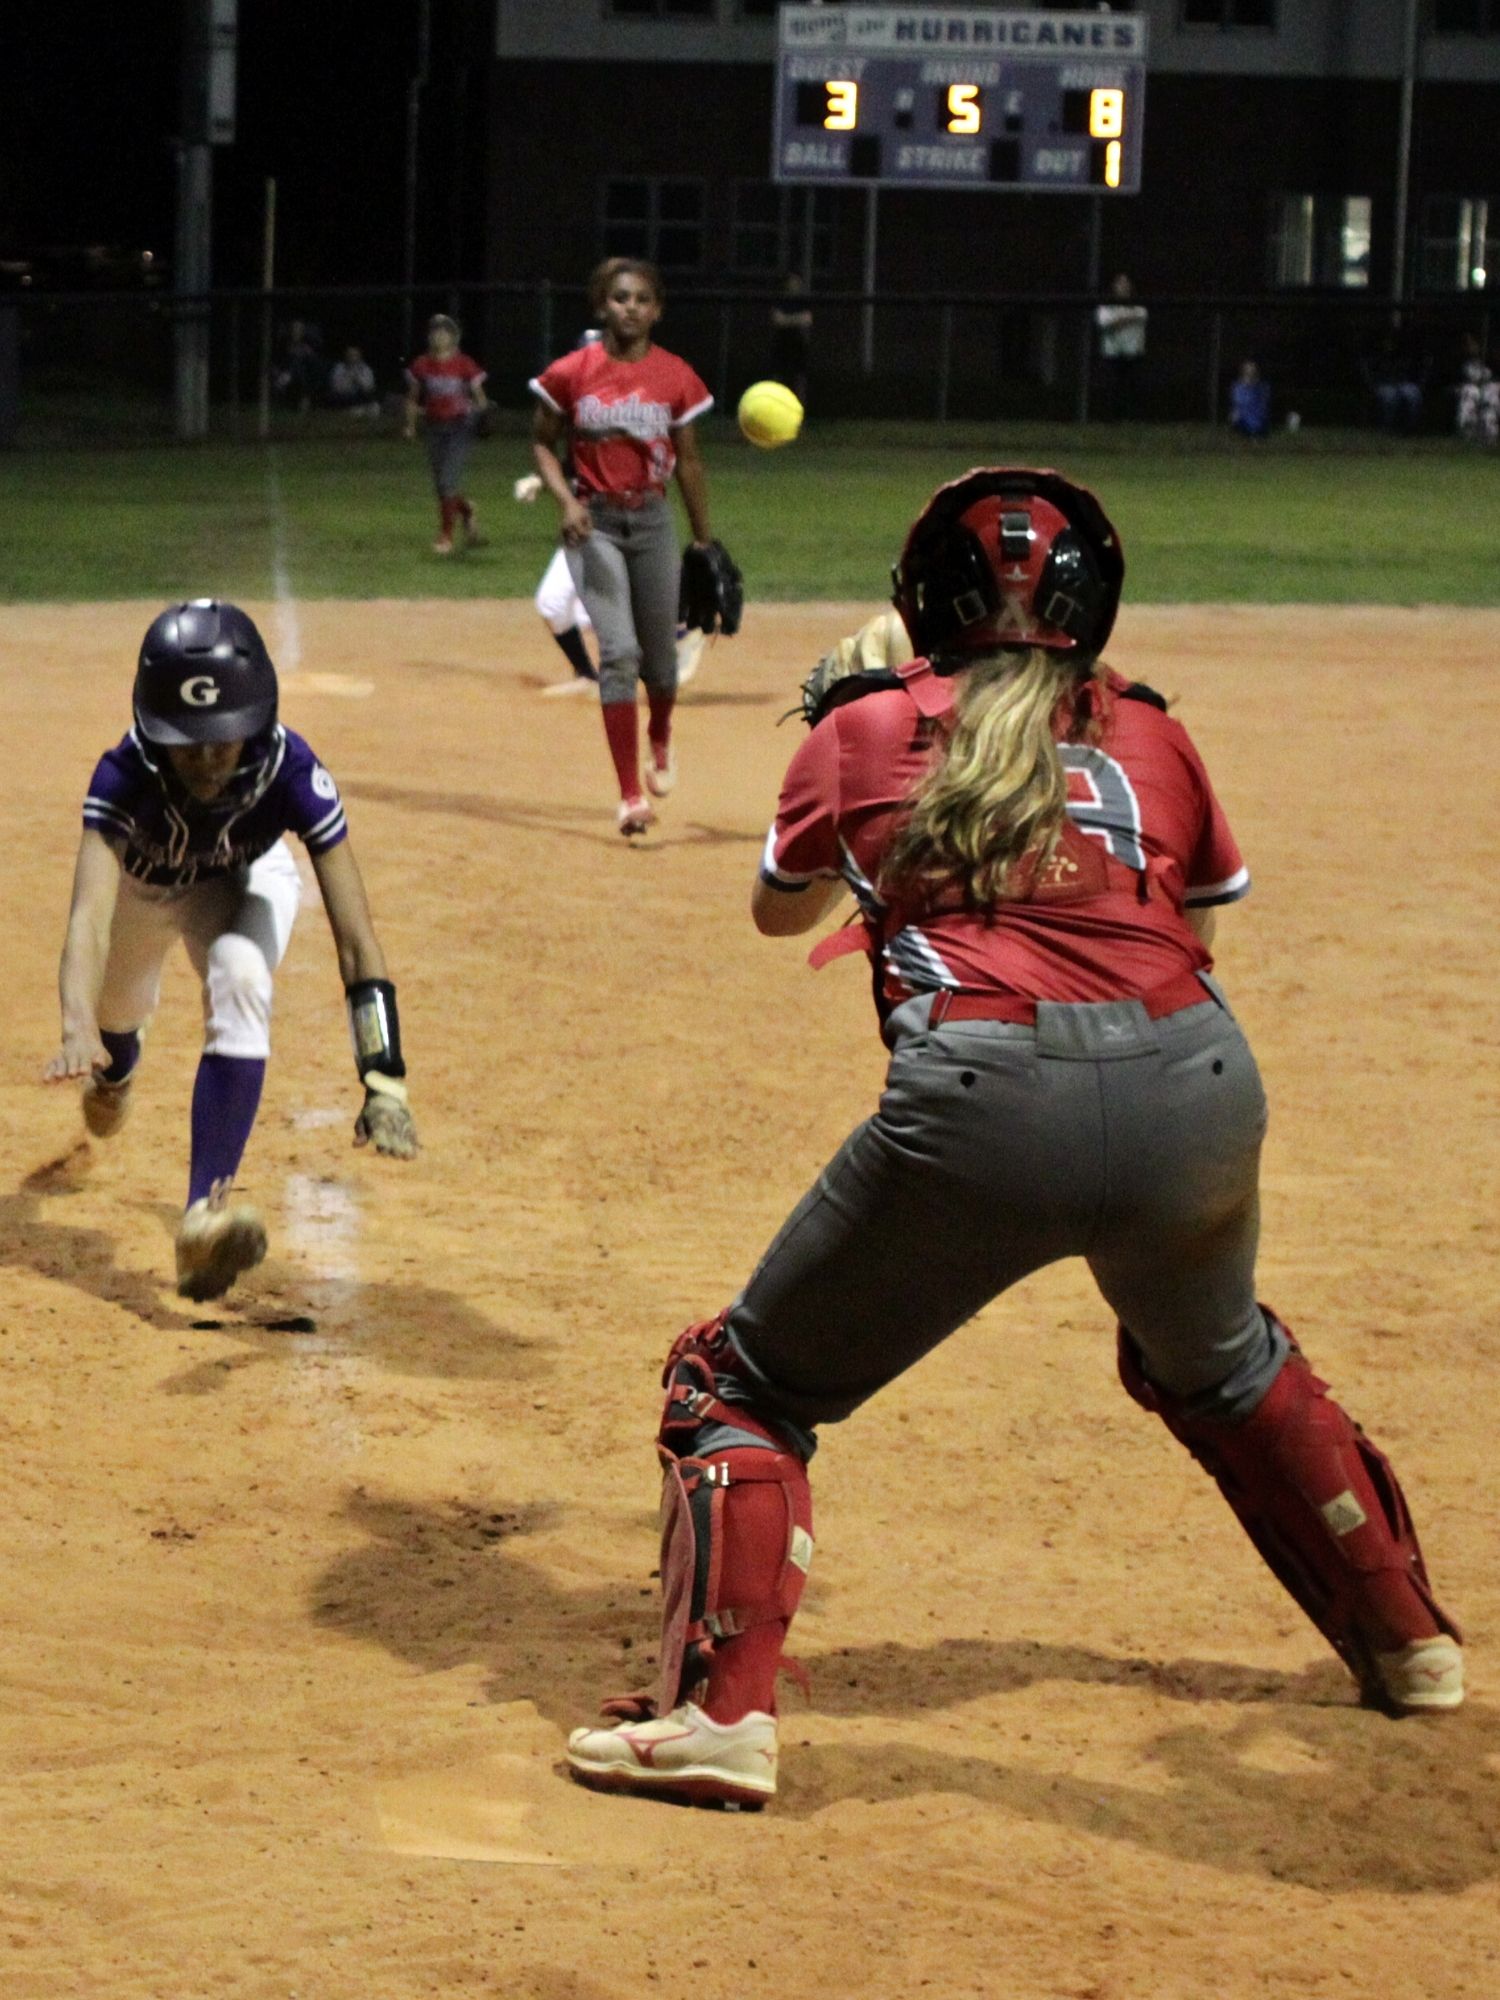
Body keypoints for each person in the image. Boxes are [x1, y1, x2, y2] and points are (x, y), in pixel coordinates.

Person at [565, 467, 1463, 1810]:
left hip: (986, 1107)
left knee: (736, 1385)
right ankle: (1408, 1641)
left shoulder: (868, 725)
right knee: (1221, 1362)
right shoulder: (1152, 733)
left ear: (925, 599)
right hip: (1199, 1084)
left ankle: (720, 1717)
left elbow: (780, 912)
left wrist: (860, 730)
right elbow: (1195, 928)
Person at [43, 601, 418, 1302]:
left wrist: (383, 1077)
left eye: (223, 739)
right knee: (115, 1025)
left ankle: (203, 1216)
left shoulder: (291, 769)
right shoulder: (123, 774)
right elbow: (89, 917)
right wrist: (76, 1027)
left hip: (240, 880)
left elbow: (355, 936)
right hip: (143, 891)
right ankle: (118, 1067)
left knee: (241, 975)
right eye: (186, 743)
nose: (208, 759)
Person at [530, 256, 717, 836]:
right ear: (601, 305)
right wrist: (567, 501)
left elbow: (689, 461)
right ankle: (630, 796)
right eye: (619, 297)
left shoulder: (675, 375)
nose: (630, 307)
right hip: (596, 525)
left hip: (653, 522)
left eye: (641, 299)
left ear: (657, 310)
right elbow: (541, 443)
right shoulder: (572, 372)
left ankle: (660, 733)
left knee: (661, 665)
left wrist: (703, 540)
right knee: (618, 653)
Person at [403, 314, 488, 555]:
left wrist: (479, 414)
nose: (439, 337)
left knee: (448, 483)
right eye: (435, 333)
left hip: (459, 427)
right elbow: (413, 398)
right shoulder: (422, 364)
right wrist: (410, 425)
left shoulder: (464, 363)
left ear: (453, 337)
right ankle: (467, 510)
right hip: (434, 427)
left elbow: (479, 397)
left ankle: (446, 536)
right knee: (442, 486)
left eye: (444, 333)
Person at [1094, 273, 1147, 420]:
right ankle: (1112, 419)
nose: (1123, 287)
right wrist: (1127, 318)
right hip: (1112, 352)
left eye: (1126, 283)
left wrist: (1119, 320)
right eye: (1120, 283)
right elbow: (1105, 323)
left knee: (1132, 387)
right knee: (1112, 387)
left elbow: (1141, 315)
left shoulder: (1138, 305)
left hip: (1133, 352)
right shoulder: (1106, 306)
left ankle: (1133, 418)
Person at [768, 272, 813, 407]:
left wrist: (787, 320)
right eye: (791, 281)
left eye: (796, 281)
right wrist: (795, 320)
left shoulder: (802, 301)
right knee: (778, 376)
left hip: (798, 342)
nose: (794, 284)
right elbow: (778, 320)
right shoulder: (780, 300)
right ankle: (775, 406)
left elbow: (807, 319)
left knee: (799, 377)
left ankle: (799, 408)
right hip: (781, 342)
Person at [1455, 333, 1499, 445]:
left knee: (1490, 396)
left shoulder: (1489, 359)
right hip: (1469, 388)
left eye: (1473, 344)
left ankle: (1490, 434)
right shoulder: (1461, 362)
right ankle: (1468, 433)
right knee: (1470, 393)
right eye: (1468, 344)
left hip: (1489, 387)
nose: (1471, 347)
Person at [326, 344, 381, 418]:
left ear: (359, 356)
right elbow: (336, 387)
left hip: (360, 396)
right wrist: (348, 378)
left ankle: (360, 410)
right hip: (344, 396)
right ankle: (353, 410)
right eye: (350, 355)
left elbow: (369, 387)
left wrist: (357, 379)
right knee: (334, 397)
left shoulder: (365, 369)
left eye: (355, 355)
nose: (352, 357)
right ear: (345, 356)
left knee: (369, 398)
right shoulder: (339, 368)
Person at [1228, 358, 1272, 439]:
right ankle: (1244, 432)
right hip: (1243, 419)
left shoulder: (1262, 386)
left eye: (1252, 370)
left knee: (1257, 423)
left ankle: (1255, 432)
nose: (1250, 372)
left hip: (1258, 419)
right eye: (1248, 369)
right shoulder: (1237, 387)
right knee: (1235, 415)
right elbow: (1237, 404)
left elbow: (1263, 405)